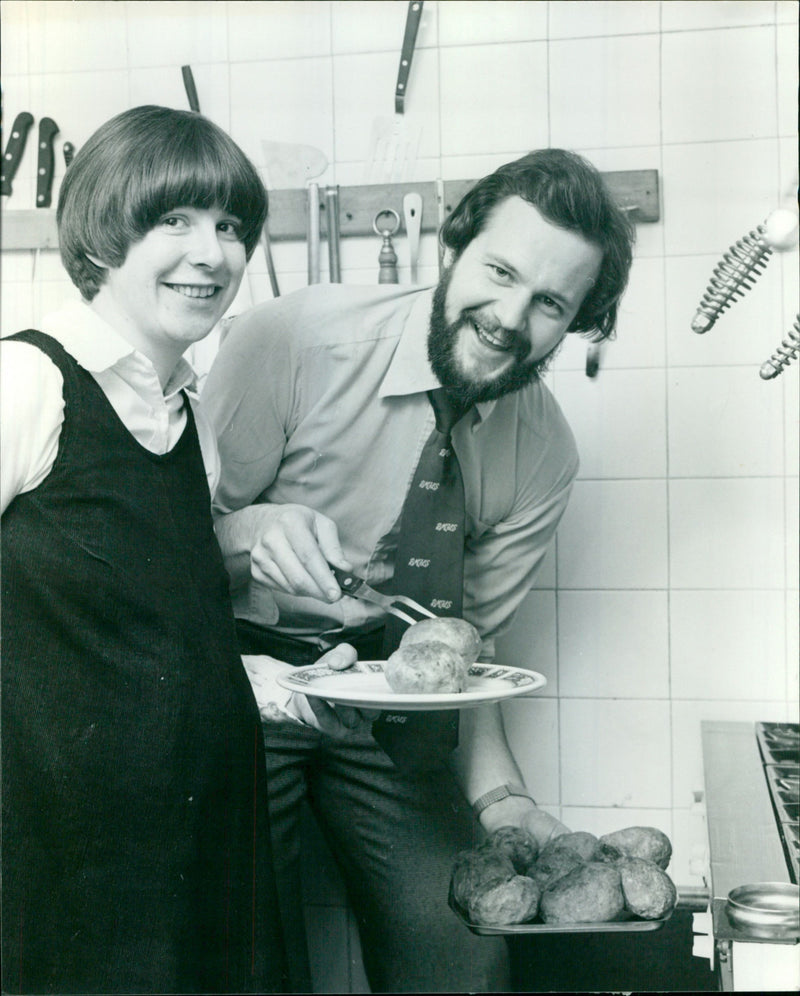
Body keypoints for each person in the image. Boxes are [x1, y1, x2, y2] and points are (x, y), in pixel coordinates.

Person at [202, 148, 635, 993]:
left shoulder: (545, 455)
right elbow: (162, 554)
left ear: (578, 321)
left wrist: (504, 802)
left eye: (550, 303)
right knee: (248, 956)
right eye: (500, 271)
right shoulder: (290, 340)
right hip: (238, 683)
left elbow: (467, 656)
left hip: (389, 703)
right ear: (456, 244)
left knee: (464, 956)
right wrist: (248, 532)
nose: (509, 318)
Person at [0, 104, 371, 996]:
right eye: (175, 219)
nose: (211, 253)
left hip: (202, 828)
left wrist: (277, 682)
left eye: (231, 226)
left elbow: (152, 625)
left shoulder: (191, 417)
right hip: (67, 850)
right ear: (104, 230)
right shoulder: (28, 380)